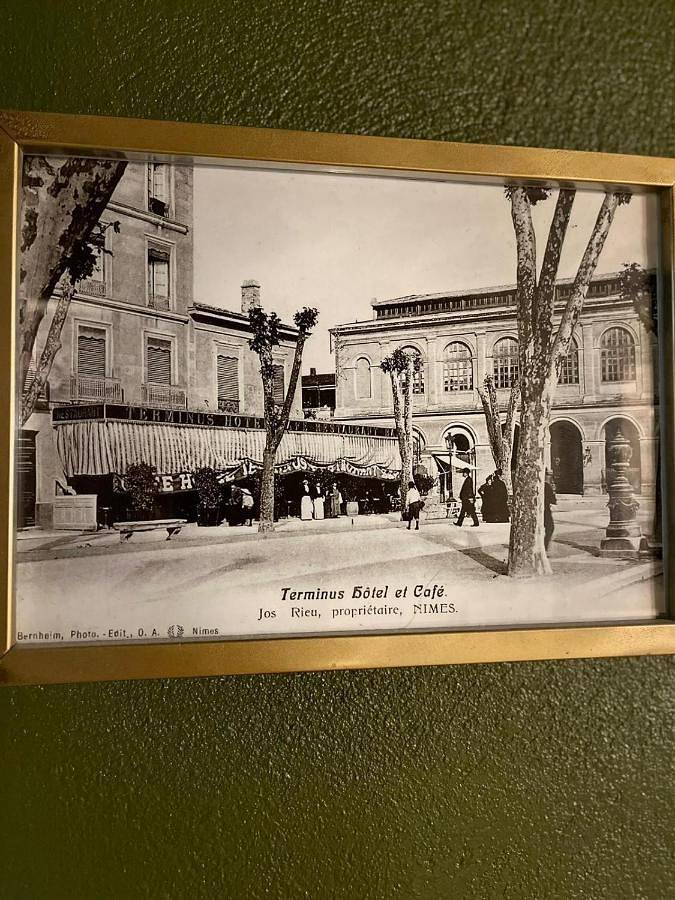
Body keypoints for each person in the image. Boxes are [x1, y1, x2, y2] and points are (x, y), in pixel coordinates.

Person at [544, 469, 557, 551]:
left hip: (541, 510)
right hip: (545, 511)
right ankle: (544, 547)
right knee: (550, 528)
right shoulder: (547, 486)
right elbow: (553, 500)